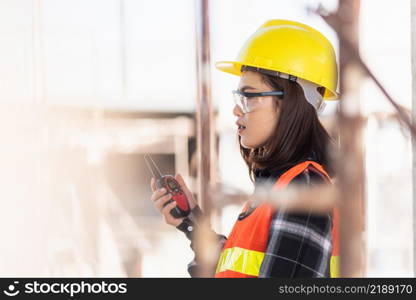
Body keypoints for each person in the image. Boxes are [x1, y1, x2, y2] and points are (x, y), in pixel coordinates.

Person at [150, 19, 339, 278]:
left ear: (291, 102)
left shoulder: (303, 189)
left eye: (249, 96)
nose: (237, 109)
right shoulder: (279, 185)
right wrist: (191, 223)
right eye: (238, 97)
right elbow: (235, 271)